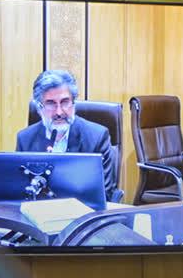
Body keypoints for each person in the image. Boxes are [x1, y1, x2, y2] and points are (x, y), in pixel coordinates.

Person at [15, 70, 116, 201]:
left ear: (73, 103)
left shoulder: (97, 137)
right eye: (50, 103)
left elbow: (104, 195)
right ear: (39, 108)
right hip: (38, 210)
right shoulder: (25, 139)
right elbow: (20, 191)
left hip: (83, 211)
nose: (59, 112)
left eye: (64, 102)